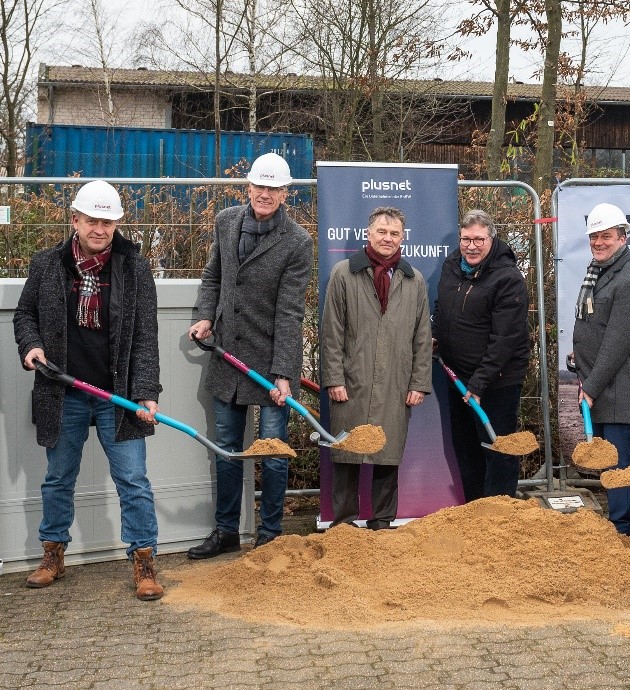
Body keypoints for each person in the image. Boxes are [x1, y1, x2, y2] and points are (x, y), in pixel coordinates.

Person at [13, 180, 164, 600]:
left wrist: (147, 392)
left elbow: (146, 336)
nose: (100, 229)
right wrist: (33, 346)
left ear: (117, 224)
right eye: (93, 220)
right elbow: (24, 315)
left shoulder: (134, 267)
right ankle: (53, 553)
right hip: (63, 392)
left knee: (133, 478)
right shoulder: (47, 264)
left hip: (118, 397)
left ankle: (145, 560)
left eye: (108, 222)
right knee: (58, 477)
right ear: (75, 219)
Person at [187, 152, 313, 558]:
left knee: (272, 451)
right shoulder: (226, 222)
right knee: (227, 446)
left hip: (272, 360)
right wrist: (206, 316)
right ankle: (226, 531)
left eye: (273, 189)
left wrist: (282, 373)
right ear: (249, 187)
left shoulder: (297, 242)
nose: (264, 194)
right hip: (228, 354)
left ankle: (270, 535)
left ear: (284, 193)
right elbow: (213, 274)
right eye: (259, 186)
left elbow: (290, 311)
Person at [321, 206, 433, 529]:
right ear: (368, 234)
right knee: (347, 453)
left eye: (394, 233)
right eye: (381, 232)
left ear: (402, 237)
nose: (388, 238)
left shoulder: (414, 281)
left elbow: (422, 338)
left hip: (396, 383)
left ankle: (382, 521)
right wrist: (334, 378)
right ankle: (343, 524)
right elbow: (332, 333)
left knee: (387, 453)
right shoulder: (344, 274)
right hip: (351, 381)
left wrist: (418, 382)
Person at [433, 209, 530, 501]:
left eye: (478, 239)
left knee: (497, 450)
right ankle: (476, 514)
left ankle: (499, 517)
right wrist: (437, 335)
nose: (471, 246)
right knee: (466, 450)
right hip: (457, 377)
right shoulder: (452, 265)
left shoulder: (508, 278)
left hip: (495, 382)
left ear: (491, 239)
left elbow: (506, 339)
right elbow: (443, 308)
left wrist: (478, 384)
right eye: (466, 239)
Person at [571, 202, 630, 537]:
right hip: (599, 385)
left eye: (606, 236)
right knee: (608, 463)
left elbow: (618, 344)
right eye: (594, 236)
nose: (599, 242)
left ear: (623, 237)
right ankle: (616, 528)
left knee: (618, 468)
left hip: (618, 391)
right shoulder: (601, 271)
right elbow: (596, 326)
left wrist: (590, 386)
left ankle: (623, 532)